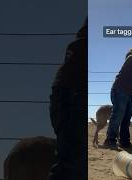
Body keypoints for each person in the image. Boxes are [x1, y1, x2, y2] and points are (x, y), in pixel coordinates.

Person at [48, 19, 87, 180]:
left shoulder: (78, 44)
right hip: (72, 97)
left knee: (71, 160)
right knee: (72, 163)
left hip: (65, 96)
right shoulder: (85, 45)